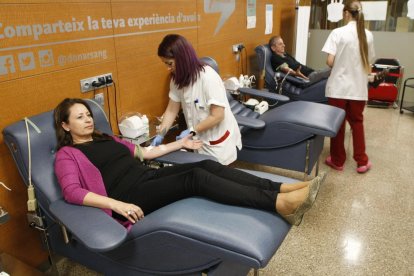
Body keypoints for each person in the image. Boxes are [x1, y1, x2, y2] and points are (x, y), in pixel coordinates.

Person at [53, 98, 327, 228]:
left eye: (88, 114)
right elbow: (72, 192)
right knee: (195, 179)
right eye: (79, 117)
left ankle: (280, 188)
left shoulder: (107, 138)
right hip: (126, 197)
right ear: (65, 125)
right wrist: (117, 205)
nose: (88, 119)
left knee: (205, 164)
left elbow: (145, 154)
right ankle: (278, 204)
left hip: (145, 178)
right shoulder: (67, 155)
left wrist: (179, 144)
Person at [151, 34, 241, 165]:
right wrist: (161, 134)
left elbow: (218, 115)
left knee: (222, 180)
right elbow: (171, 110)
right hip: (199, 141)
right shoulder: (176, 80)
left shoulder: (208, 77)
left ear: (181, 59)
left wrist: (192, 130)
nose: (168, 68)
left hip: (218, 143)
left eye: (169, 63)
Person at [321, 0, 374, 173]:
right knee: (357, 123)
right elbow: (369, 63)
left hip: (338, 88)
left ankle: (338, 161)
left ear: (346, 13)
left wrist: (340, 62)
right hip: (358, 89)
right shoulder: (368, 35)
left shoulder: (337, 33)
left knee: (338, 124)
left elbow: (330, 61)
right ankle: (362, 161)